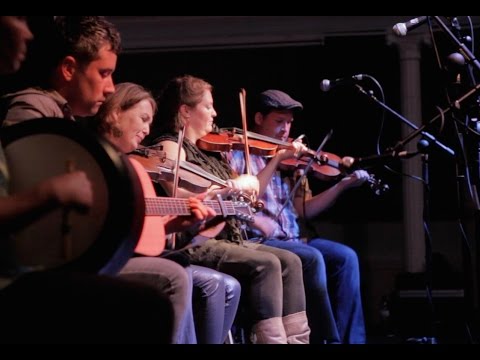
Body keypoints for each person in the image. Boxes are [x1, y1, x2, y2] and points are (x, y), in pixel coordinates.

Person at [0, 16, 174, 344]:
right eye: (104, 73)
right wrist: (53, 192)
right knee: (161, 293)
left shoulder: (61, 116)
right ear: (69, 69)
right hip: (22, 274)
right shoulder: (31, 110)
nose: (110, 88)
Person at [149, 74, 310, 344]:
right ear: (186, 111)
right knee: (267, 263)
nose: (215, 112)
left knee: (291, 261)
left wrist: (272, 163)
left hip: (229, 236)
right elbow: (181, 196)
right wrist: (230, 185)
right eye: (208, 106)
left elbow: (250, 194)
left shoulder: (213, 151)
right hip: (199, 240)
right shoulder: (170, 145)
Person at [92, 81, 241, 344]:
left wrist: (180, 224)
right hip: (99, 261)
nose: (147, 129)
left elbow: (141, 235)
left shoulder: (131, 168)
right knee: (176, 274)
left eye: (151, 122)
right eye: (143, 119)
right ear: (115, 112)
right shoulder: (93, 158)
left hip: (124, 255)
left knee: (205, 277)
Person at [228, 89, 368, 344]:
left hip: (293, 238)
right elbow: (243, 198)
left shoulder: (291, 161)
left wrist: (340, 186)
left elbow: (304, 210)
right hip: (260, 240)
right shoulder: (238, 154)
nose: (285, 129)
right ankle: (327, 339)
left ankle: (352, 340)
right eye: (278, 122)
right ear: (258, 118)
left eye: (289, 122)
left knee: (346, 258)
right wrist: (277, 159)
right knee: (312, 258)